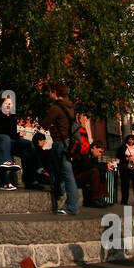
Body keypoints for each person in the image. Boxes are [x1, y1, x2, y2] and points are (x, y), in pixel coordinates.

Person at [40, 83, 80, 215]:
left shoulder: (56, 108)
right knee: (57, 169)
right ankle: (58, 191)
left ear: (54, 92)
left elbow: (45, 124)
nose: (49, 94)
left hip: (60, 143)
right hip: (68, 142)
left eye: (50, 92)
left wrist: (50, 125)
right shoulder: (70, 107)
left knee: (67, 175)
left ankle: (71, 206)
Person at [0, 92, 40, 188]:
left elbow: (13, 134)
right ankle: (39, 166)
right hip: (3, 141)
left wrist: (19, 135)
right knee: (28, 143)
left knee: (26, 153)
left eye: (10, 104)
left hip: (13, 141)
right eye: (7, 103)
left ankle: (31, 181)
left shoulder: (11, 117)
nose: (8, 106)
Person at [117, 134, 134, 206]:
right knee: (125, 185)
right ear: (127, 140)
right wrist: (126, 158)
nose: (131, 141)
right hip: (126, 169)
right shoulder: (123, 147)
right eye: (129, 139)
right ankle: (124, 200)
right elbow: (119, 156)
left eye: (132, 139)